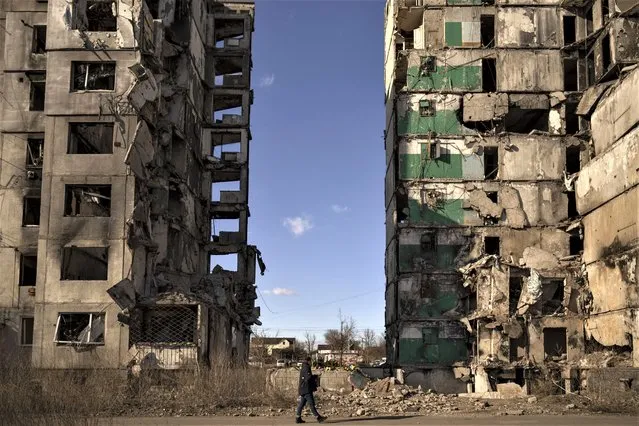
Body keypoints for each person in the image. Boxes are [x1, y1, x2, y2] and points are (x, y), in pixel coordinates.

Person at [295, 356, 327, 424]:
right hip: (306, 389)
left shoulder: (304, 366)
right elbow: (308, 377)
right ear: (308, 361)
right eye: (310, 361)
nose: (311, 362)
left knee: (302, 404)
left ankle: (298, 418)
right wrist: (316, 375)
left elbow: (307, 377)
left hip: (303, 388)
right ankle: (318, 417)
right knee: (311, 403)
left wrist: (315, 375)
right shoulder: (306, 367)